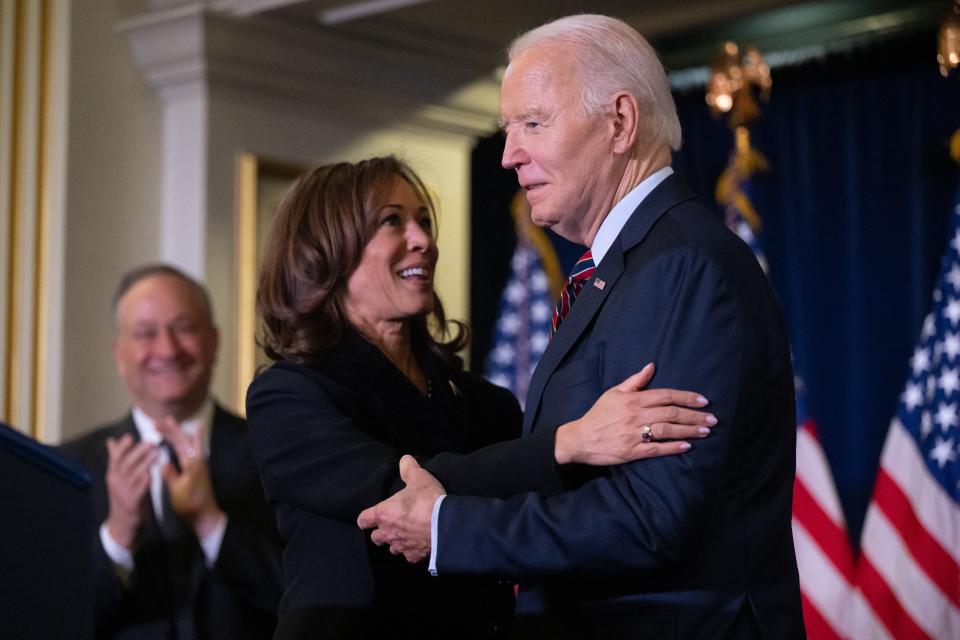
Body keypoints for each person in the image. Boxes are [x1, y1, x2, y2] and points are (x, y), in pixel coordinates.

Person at [357, 14, 805, 639]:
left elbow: (651, 515)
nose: (509, 155)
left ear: (619, 122)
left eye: (533, 124)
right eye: (508, 129)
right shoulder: (629, 267)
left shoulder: (679, 267)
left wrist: (447, 528)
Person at [245, 155, 716, 639]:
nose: (423, 241)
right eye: (392, 221)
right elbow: (402, 495)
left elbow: (535, 522)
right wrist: (567, 443)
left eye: (423, 221)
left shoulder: (484, 403)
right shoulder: (288, 396)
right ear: (325, 250)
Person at [61, 265, 282, 639]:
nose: (167, 349)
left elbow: (306, 599)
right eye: (146, 334)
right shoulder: (70, 468)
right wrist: (118, 536)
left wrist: (212, 524)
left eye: (183, 329)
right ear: (119, 353)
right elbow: (50, 616)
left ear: (213, 341)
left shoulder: (273, 452)